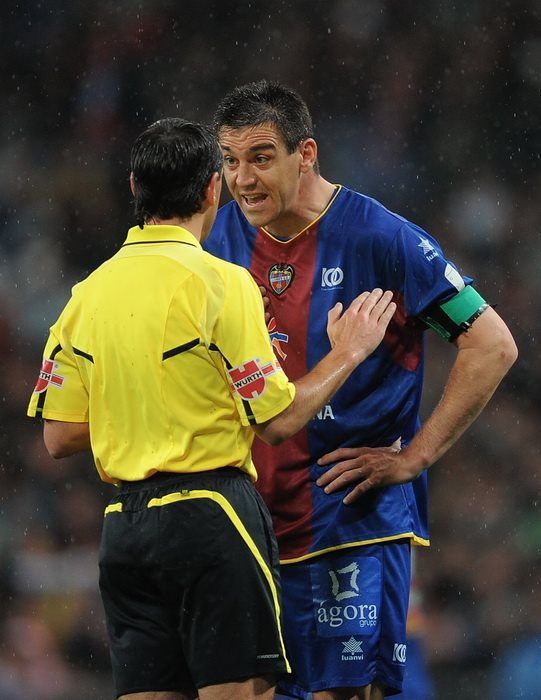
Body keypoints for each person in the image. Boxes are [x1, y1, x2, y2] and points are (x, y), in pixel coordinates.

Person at [26, 117, 396, 700]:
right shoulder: (221, 283)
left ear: (133, 187)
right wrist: (347, 353)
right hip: (211, 516)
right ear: (211, 189)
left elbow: (60, 434)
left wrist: (144, 399)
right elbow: (278, 421)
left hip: (125, 528)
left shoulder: (85, 296)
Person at [203, 80, 518, 699]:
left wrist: (416, 456)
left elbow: (492, 345)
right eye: (230, 160)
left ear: (306, 154)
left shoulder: (382, 238)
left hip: (353, 518)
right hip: (250, 520)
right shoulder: (217, 239)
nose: (243, 179)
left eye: (261, 158)